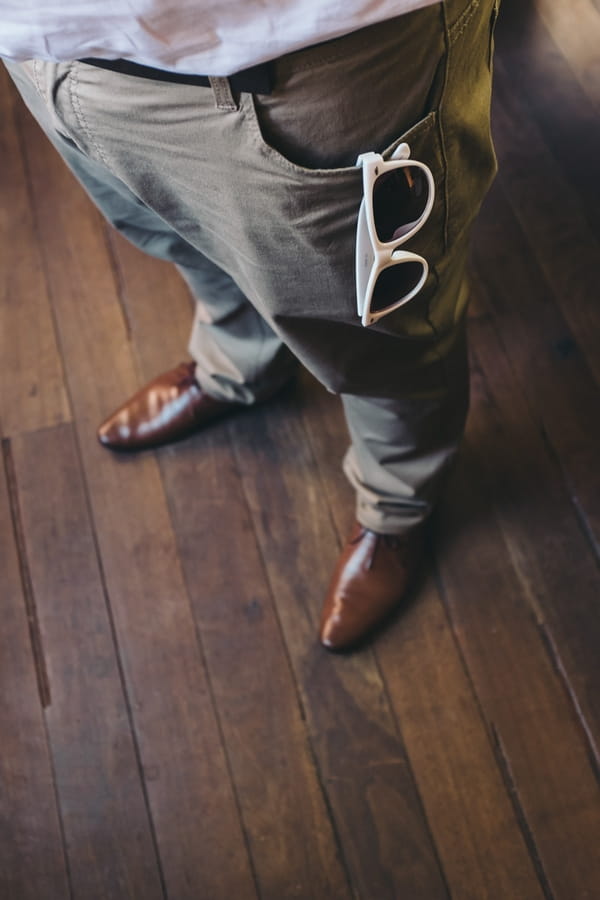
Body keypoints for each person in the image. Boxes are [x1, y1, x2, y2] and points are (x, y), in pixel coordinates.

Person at [1, 0, 499, 650]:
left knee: (384, 326)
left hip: (305, 58)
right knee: (184, 239)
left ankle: (398, 501)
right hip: (48, 48)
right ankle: (243, 364)